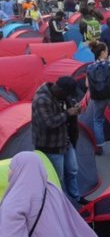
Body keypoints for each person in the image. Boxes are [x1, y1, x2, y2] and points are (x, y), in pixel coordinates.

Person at [0, 152, 106, 237]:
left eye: (11, 168)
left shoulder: (14, 203)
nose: (9, 172)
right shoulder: (52, 189)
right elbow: (70, 219)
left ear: (19, 170)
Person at [31, 76, 86, 205]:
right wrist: (67, 113)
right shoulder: (41, 100)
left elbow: (68, 110)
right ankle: (60, 204)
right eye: (68, 93)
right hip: (51, 146)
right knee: (57, 178)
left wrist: (75, 108)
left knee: (72, 170)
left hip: (66, 142)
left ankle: (76, 198)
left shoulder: (62, 95)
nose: (69, 96)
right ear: (60, 90)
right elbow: (48, 123)